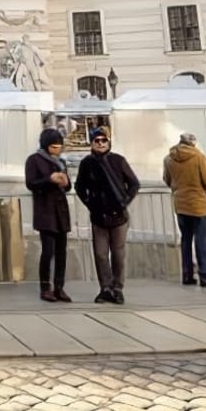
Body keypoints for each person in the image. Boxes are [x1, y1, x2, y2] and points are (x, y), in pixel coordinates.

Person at [74, 130, 139, 304]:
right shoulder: (87, 163)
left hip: (119, 216)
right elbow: (79, 186)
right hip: (99, 216)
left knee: (118, 254)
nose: (101, 143)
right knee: (101, 254)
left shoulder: (118, 160)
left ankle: (118, 288)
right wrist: (90, 203)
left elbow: (134, 183)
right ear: (92, 143)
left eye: (104, 140)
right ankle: (105, 287)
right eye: (97, 140)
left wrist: (125, 201)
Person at [162, 133, 206, 288]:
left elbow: (167, 180)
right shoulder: (199, 157)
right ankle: (205, 276)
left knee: (185, 239)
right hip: (198, 204)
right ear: (193, 144)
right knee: (201, 239)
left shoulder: (168, 158)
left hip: (180, 203)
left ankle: (187, 274)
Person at [24, 128, 73, 302]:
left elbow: (67, 187)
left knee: (62, 252)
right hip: (46, 211)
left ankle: (59, 286)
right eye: (54, 146)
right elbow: (31, 183)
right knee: (48, 251)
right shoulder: (34, 160)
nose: (57, 149)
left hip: (61, 212)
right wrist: (49, 179)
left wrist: (66, 183)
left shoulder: (61, 162)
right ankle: (45, 287)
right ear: (46, 146)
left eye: (59, 146)